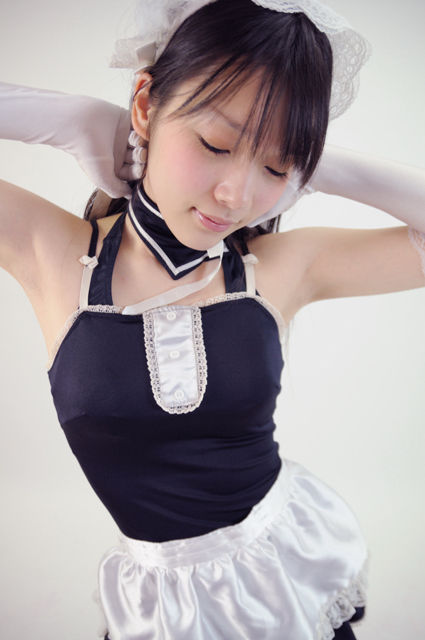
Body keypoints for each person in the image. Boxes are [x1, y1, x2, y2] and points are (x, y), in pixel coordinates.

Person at [0, 0, 424, 638]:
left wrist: (317, 162)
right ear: (146, 105)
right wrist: (70, 118)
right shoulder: (55, 255)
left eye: (275, 168)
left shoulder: (275, 269)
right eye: (216, 144)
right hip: (158, 610)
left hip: (281, 584)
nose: (238, 195)